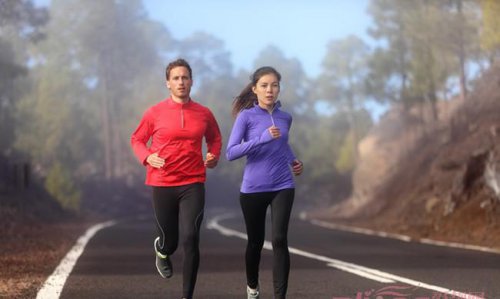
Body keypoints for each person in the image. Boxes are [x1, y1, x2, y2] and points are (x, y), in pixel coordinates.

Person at [130, 58, 222, 299]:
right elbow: (137, 140)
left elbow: (215, 138)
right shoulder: (154, 113)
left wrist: (213, 156)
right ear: (168, 83)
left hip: (193, 182)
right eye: (176, 78)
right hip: (162, 183)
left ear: (191, 81)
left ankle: (187, 296)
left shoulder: (204, 113)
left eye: (185, 77)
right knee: (170, 241)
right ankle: (162, 251)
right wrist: (148, 158)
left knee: (191, 238)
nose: (181, 82)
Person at [226, 66, 304, 299]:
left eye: (275, 85)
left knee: (279, 240)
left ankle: (280, 296)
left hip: (283, 185)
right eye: (264, 85)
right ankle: (252, 286)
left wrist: (294, 160)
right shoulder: (246, 117)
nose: (270, 90)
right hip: (253, 189)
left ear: (279, 88)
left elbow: (282, 144)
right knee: (255, 243)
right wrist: (261, 138)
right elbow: (231, 152)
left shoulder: (285, 117)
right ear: (255, 89)